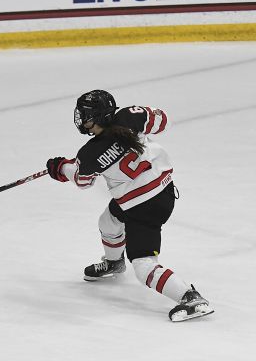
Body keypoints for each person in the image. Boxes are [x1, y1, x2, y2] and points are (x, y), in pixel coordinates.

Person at [45, 90, 213, 322]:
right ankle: (114, 262)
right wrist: (143, 114)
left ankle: (189, 297)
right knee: (109, 220)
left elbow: (82, 180)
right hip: (162, 192)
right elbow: (162, 120)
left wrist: (61, 168)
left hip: (142, 208)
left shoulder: (90, 152)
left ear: (97, 117)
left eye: (85, 115)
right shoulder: (129, 117)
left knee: (144, 266)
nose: (82, 120)